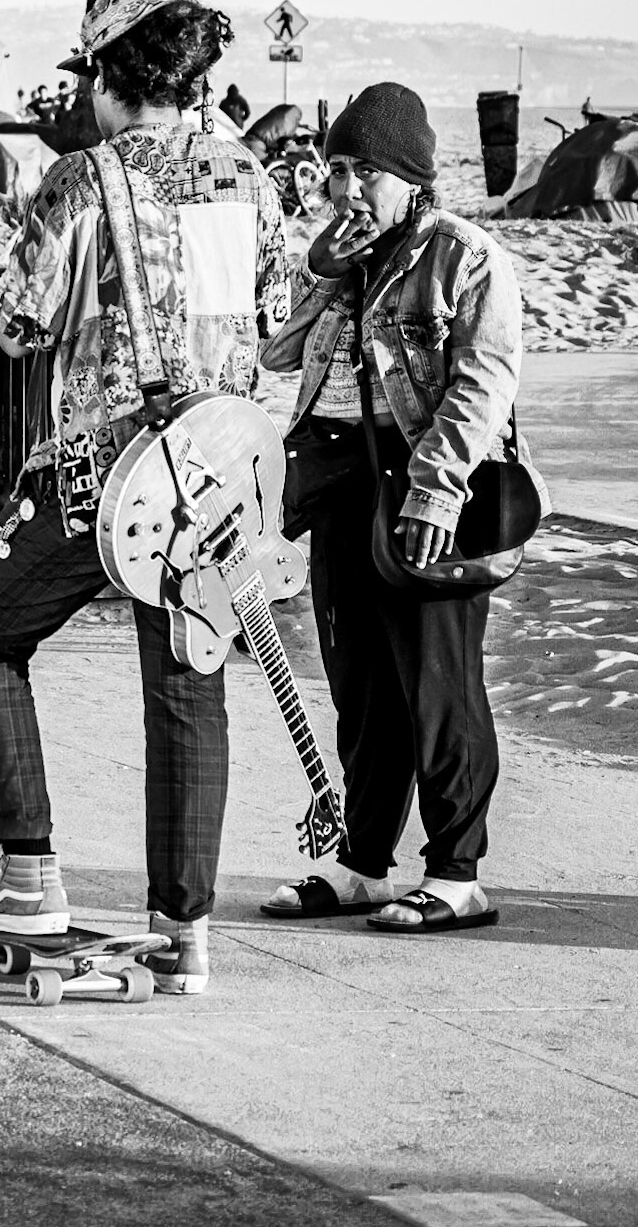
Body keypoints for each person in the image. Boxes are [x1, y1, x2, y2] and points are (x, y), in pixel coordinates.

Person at [0, 0, 290, 993]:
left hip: (102, 475)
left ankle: (25, 871)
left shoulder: (80, 181)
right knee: (186, 688)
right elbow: (269, 312)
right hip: (214, 474)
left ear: (105, 76)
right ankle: (181, 935)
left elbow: (17, 325)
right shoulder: (249, 178)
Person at [259, 82, 548, 934]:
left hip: (425, 484)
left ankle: (457, 873)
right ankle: (362, 864)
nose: (344, 189)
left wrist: (434, 487)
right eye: (334, 169)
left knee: (437, 681)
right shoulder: (344, 257)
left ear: (410, 178)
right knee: (359, 683)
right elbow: (276, 352)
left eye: (363, 172)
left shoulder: (464, 256)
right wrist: (321, 267)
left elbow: (482, 385)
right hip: (339, 480)